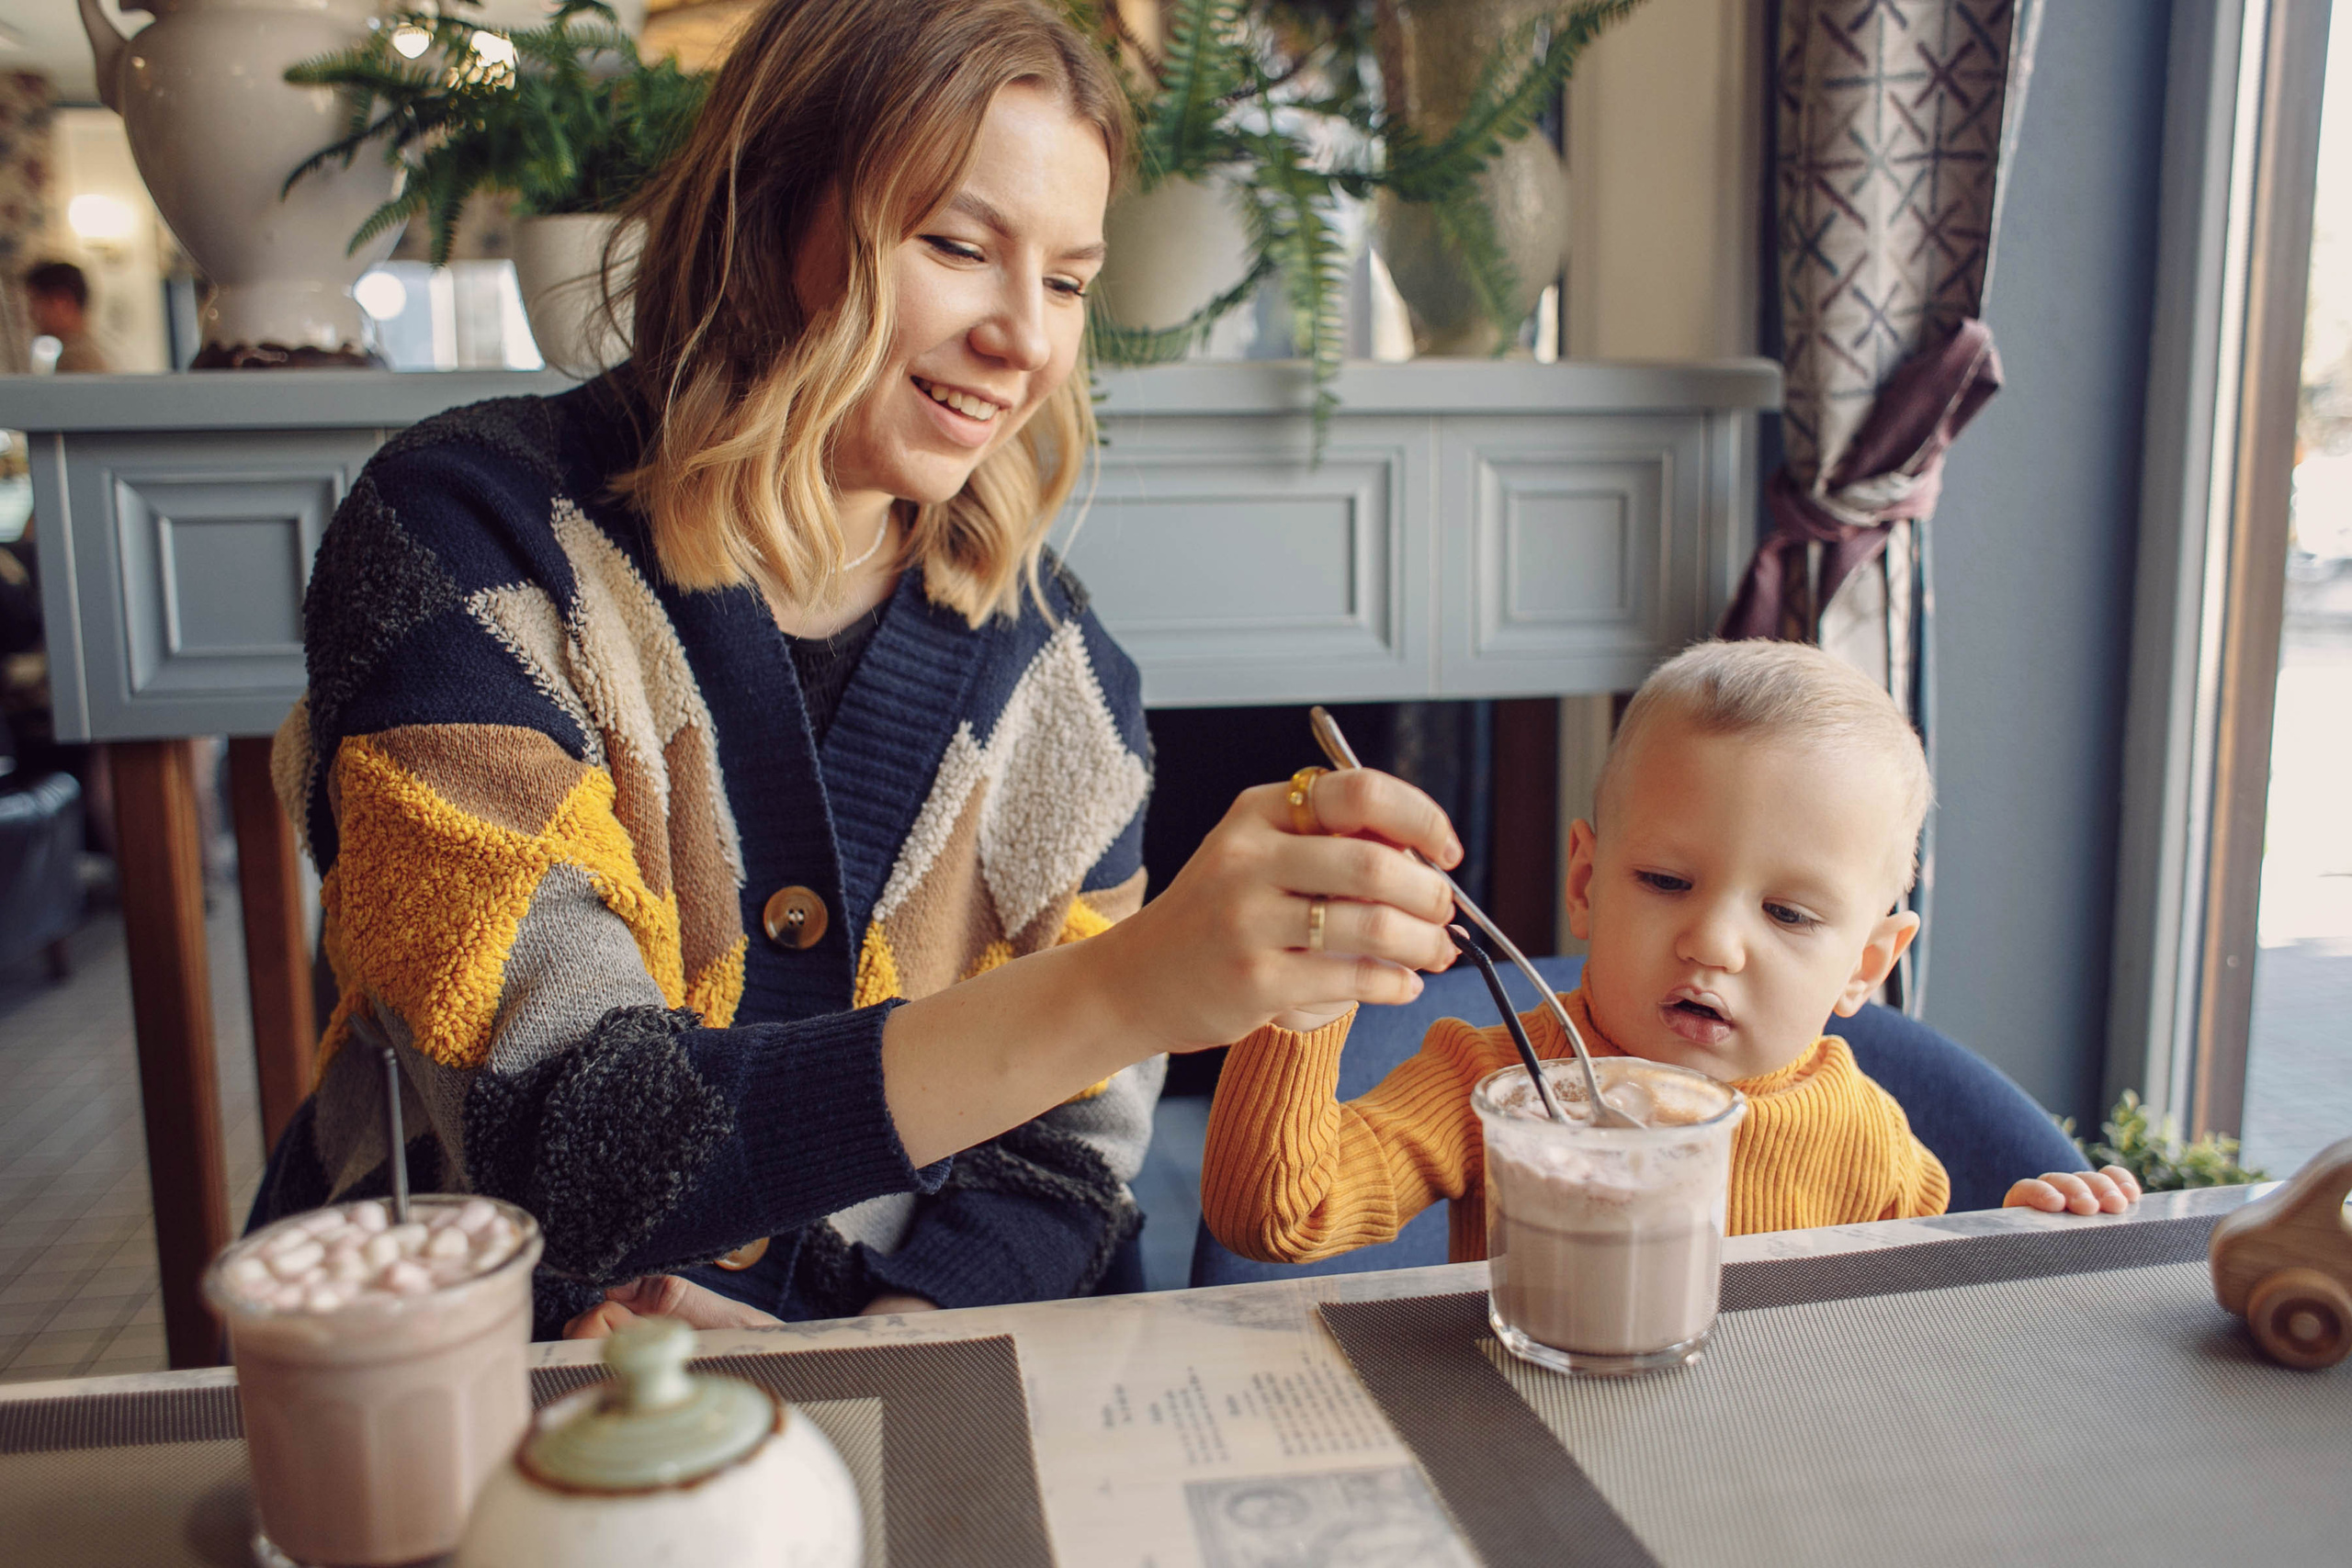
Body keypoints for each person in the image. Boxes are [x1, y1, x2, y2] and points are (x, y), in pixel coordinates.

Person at [251, 0, 1465, 1341]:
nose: (1025, 339)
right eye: (958, 246)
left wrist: (876, 1348)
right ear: (767, 214)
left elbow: (1065, 1170)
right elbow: (564, 1127)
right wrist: (1132, 987)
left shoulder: (1064, 683)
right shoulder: (467, 543)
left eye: (1068, 282)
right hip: (454, 1363)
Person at [1202, 639, 2139, 1267]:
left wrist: (2015, 1240)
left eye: (1787, 913)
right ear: (1584, 883)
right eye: (1664, 880)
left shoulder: (1869, 1139)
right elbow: (1276, 1216)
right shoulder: (1495, 1085)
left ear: (1867, 964)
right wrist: (1304, 1004)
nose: (1713, 942)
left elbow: (1912, 1335)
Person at [23, 262, 110, 374]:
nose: (31, 314)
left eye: (34, 301)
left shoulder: (77, 359)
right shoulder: (89, 350)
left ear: (61, 302)